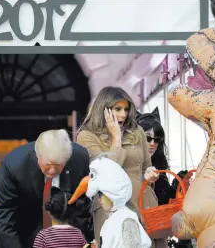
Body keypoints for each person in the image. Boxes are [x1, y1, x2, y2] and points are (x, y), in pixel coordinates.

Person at [76, 86, 160, 247]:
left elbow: (146, 167)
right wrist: (116, 138)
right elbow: (105, 173)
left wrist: (150, 173)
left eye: (126, 109)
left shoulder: (137, 131)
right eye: (118, 109)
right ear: (103, 109)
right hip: (110, 208)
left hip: (142, 204)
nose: (123, 114)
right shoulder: (87, 136)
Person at [0, 129, 93, 248]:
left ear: (67, 159)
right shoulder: (14, 165)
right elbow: (4, 214)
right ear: (38, 156)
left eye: (57, 165)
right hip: (20, 230)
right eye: (47, 165)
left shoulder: (80, 159)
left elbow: (83, 206)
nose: (52, 171)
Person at [68, 156, 152, 248]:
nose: (99, 200)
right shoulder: (114, 217)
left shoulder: (127, 220)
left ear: (111, 192)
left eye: (100, 195)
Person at [136, 107, 177, 205]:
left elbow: (165, 197)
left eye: (157, 139)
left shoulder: (159, 165)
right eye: (148, 138)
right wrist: (143, 178)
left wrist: (179, 184)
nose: (152, 143)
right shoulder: (126, 163)